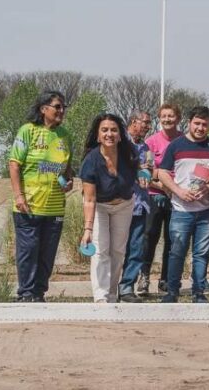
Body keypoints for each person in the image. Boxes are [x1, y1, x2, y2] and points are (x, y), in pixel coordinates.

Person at [9, 91, 72, 303]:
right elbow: (14, 165)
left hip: (54, 208)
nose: (61, 111)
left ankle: (38, 294)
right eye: (57, 106)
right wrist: (19, 196)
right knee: (28, 252)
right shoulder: (28, 131)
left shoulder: (65, 135)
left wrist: (68, 181)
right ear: (43, 109)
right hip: (29, 206)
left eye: (63, 107)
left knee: (47, 255)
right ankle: (25, 294)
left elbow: (66, 170)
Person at [157, 106, 209, 303]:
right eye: (197, 123)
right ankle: (172, 291)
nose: (200, 128)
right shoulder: (176, 146)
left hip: (206, 211)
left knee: (201, 254)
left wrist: (208, 188)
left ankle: (198, 292)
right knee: (177, 251)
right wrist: (178, 191)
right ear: (190, 122)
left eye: (205, 124)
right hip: (181, 210)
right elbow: (162, 173)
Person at [80, 113, 140, 303]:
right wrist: (87, 229)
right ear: (98, 135)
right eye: (104, 130)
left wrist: (145, 174)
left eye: (114, 130)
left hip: (124, 205)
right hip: (99, 207)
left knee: (118, 251)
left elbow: (143, 170)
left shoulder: (129, 155)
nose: (109, 134)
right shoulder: (91, 161)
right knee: (100, 250)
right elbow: (89, 199)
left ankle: (112, 294)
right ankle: (100, 296)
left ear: (120, 134)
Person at [139, 103, 182, 295]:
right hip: (155, 196)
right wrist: (162, 186)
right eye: (163, 116)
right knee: (149, 237)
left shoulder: (183, 140)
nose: (167, 119)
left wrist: (176, 190)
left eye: (171, 116)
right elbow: (146, 171)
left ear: (178, 119)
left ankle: (166, 279)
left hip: (178, 198)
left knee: (172, 240)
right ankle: (144, 276)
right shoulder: (152, 141)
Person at [118, 110, 153, 302]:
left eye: (149, 123)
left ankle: (127, 288)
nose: (148, 126)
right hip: (120, 204)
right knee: (116, 249)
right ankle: (111, 286)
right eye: (145, 122)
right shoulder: (120, 142)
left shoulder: (146, 148)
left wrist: (148, 173)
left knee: (136, 248)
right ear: (133, 121)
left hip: (140, 205)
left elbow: (149, 169)